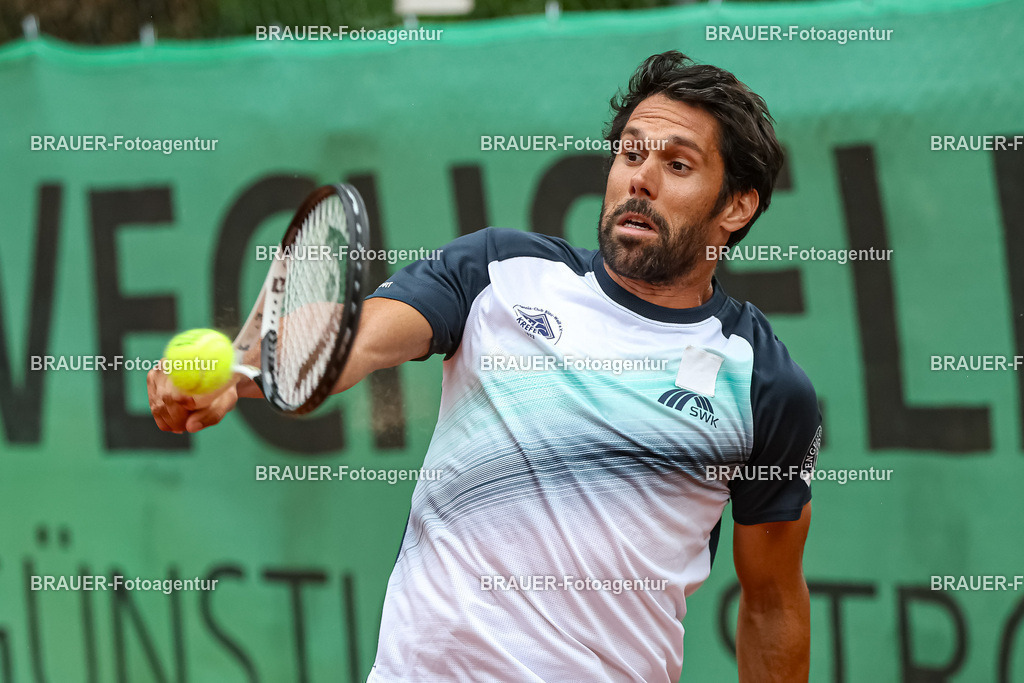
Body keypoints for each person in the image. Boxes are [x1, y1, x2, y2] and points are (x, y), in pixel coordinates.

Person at [149, 51, 819, 682]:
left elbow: (770, 599)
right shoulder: (500, 272)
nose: (639, 176)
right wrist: (245, 370)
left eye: (677, 164)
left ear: (736, 206)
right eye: (630, 153)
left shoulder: (763, 383)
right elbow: (356, 337)